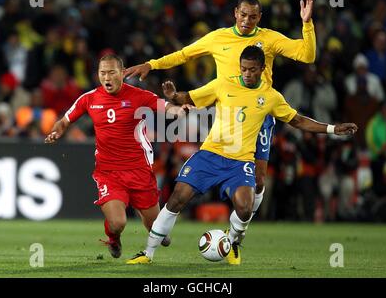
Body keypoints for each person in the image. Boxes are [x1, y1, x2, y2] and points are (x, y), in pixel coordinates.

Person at [126, 46, 357, 265]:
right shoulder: (223, 85)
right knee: (177, 198)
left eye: (252, 69)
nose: (247, 73)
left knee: (245, 207)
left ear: (263, 69)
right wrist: (174, 95)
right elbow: (191, 97)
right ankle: (148, 252)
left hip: (240, 162)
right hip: (210, 154)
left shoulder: (271, 97)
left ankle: (234, 241)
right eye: (243, 68)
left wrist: (333, 129)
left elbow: (297, 120)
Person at [125, 0, 316, 222]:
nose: (247, 20)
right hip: (227, 113)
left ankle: (241, 228)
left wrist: (306, 23)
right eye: (243, 15)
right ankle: (229, 227)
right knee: (218, 165)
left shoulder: (269, 39)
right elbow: (184, 54)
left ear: (260, 17)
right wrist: (152, 64)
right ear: (235, 12)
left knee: (260, 178)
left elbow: (307, 55)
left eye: (253, 17)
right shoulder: (218, 38)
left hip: (260, 110)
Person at [44, 54, 186, 258]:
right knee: (118, 223)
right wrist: (57, 131)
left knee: (160, 233)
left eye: (111, 72)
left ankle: (154, 228)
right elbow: (65, 120)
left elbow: (166, 107)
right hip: (108, 172)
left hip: (139, 170)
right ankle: (113, 238)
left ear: (123, 72)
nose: (107, 77)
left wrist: (179, 111)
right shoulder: (89, 98)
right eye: (103, 73)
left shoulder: (139, 96)